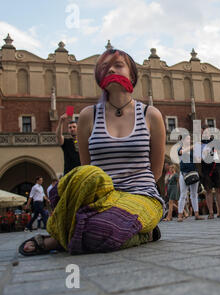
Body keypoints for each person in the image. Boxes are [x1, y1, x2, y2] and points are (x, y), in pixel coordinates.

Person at [19, 48, 165, 256]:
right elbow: (87, 169)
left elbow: (156, 171)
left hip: (141, 196)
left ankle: (57, 240)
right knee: (80, 177)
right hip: (101, 196)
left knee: (100, 231)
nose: (111, 69)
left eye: (118, 64)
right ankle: (120, 231)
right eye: (105, 67)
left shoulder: (151, 115)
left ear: (132, 74)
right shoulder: (88, 116)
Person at [200, 125, 220, 219]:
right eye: (203, 132)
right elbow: (196, 157)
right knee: (208, 190)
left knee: (219, 189)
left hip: (216, 166)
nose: (204, 133)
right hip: (205, 168)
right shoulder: (199, 143)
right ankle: (211, 213)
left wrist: (219, 156)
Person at [177, 135, 204, 221]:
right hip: (184, 174)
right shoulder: (180, 148)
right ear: (183, 140)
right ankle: (180, 216)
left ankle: (196, 214)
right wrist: (194, 146)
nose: (190, 140)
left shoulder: (192, 150)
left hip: (193, 173)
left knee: (194, 194)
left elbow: (198, 160)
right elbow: (182, 152)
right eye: (188, 138)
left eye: (190, 138)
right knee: (183, 194)